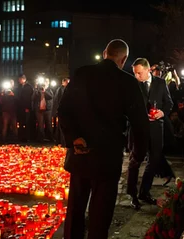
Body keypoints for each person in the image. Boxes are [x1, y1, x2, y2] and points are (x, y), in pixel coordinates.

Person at [58, 39, 149, 239]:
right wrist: (139, 154)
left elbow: (64, 110)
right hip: (107, 156)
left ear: (104, 52)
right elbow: (140, 122)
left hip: (81, 153)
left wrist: (74, 138)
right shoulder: (126, 81)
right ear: (123, 59)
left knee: (75, 210)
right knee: (100, 216)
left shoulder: (82, 74)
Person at [127, 58, 174, 210]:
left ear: (148, 70)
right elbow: (128, 108)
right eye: (135, 73)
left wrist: (162, 112)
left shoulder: (160, 83)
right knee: (135, 161)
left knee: (154, 161)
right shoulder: (133, 85)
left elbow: (169, 103)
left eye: (139, 73)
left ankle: (144, 192)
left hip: (156, 128)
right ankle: (132, 194)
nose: (136, 76)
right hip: (139, 129)